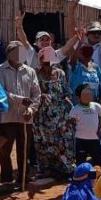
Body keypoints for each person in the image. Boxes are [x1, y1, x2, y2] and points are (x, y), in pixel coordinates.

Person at [0, 42, 41, 188]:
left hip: (26, 117)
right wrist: (20, 100)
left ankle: (23, 177)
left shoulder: (30, 71)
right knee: (5, 149)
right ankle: (7, 179)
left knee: (24, 148)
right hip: (6, 116)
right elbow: (0, 91)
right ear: (8, 54)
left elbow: (36, 94)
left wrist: (31, 110)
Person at [32, 48, 73, 183]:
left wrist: (69, 103)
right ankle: (47, 169)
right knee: (45, 142)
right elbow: (32, 92)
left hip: (60, 113)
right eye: (45, 61)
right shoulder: (35, 74)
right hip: (43, 114)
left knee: (62, 140)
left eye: (50, 61)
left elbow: (66, 91)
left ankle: (63, 168)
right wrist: (41, 95)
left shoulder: (60, 73)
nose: (48, 64)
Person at [69, 84, 101, 169]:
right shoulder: (75, 109)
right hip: (80, 140)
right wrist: (73, 124)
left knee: (99, 162)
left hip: (95, 140)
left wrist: (100, 128)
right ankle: (81, 177)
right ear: (79, 96)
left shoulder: (96, 106)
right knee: (80, 163)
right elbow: (70, 123)